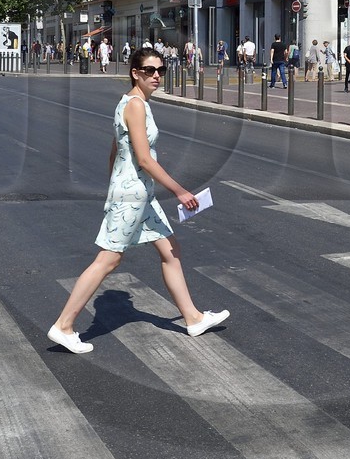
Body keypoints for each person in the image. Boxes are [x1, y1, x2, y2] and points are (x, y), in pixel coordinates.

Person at [48, 49, 229, 353]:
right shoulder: (136, 106)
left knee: (171, 250)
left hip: (138, 194)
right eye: (148, 70)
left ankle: (193, 318)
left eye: (161, 70)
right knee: (109, 259)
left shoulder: (131, 103)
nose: (156, 75)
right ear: (135, 72)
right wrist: (180, 191)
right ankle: (64, 325)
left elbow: (115, 152)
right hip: (133, 195)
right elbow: (144, 159)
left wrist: (114, 184)